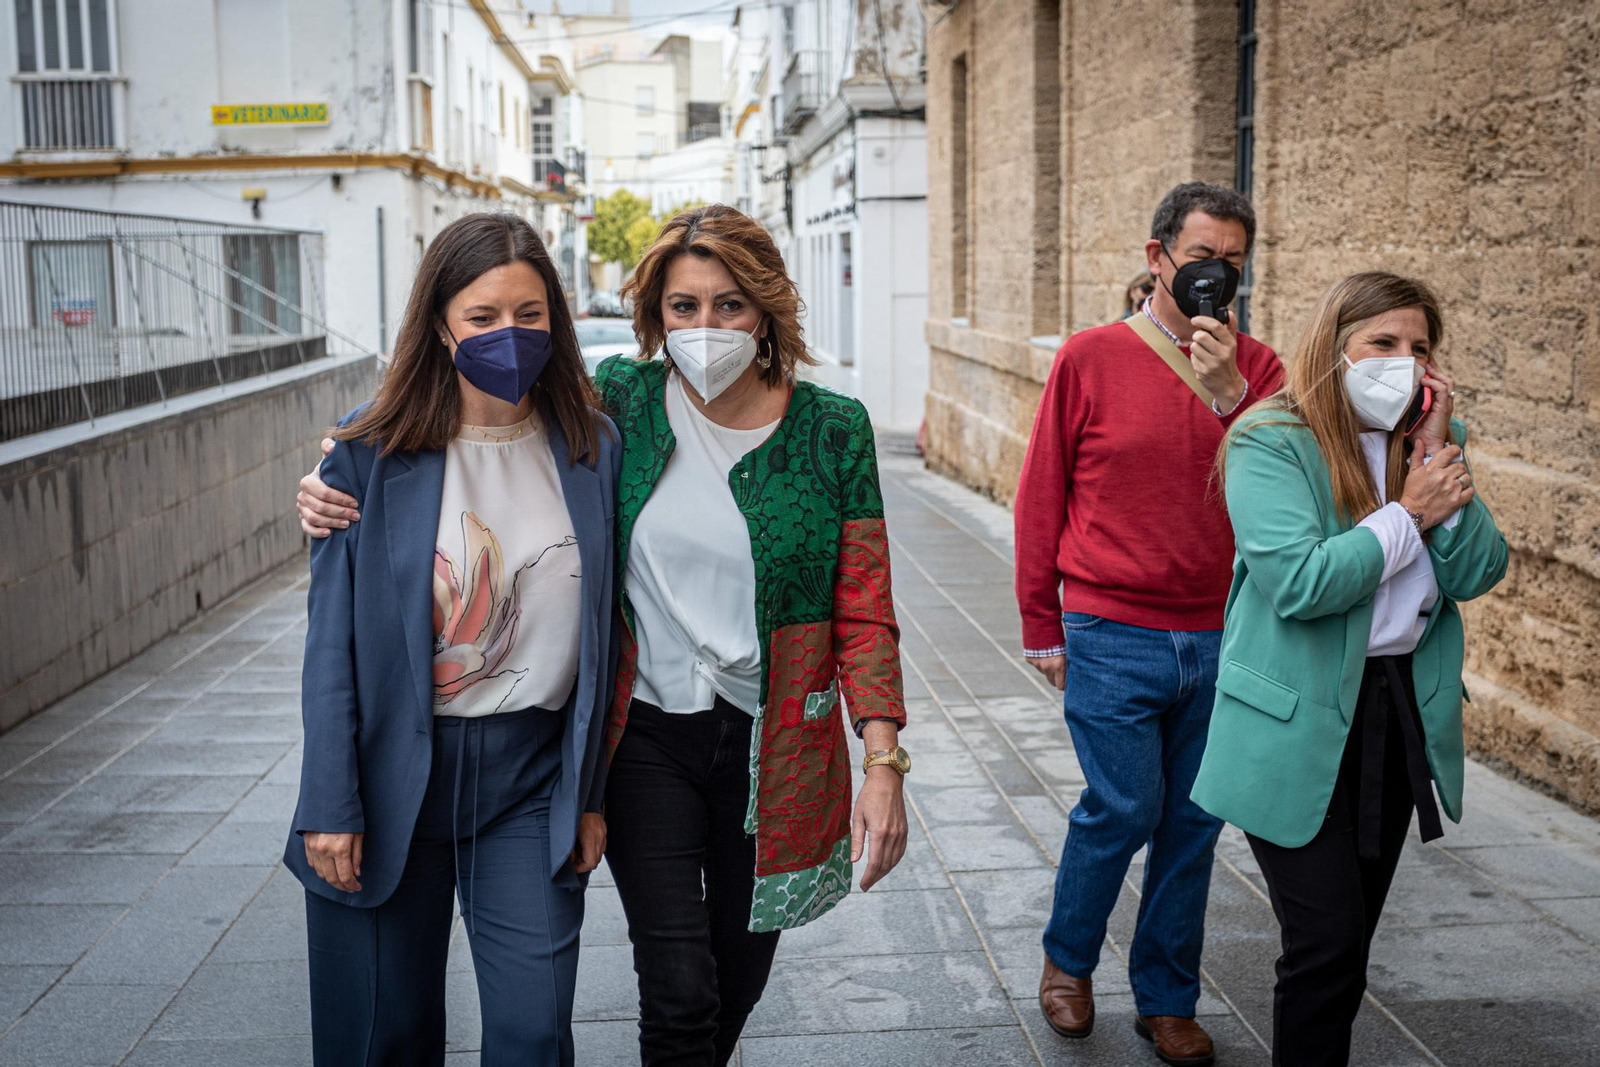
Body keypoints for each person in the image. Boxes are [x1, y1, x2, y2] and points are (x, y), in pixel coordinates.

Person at [296, 204, 911, 1067]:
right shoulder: (600, 411)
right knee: (650, 992)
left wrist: (882, 759)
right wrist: (328, 476)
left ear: (768, 306)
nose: (706, 326)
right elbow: (337, 637)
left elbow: (865, 602)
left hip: (676, 755)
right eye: (683, 307)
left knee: (635, 1005)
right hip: (567, 746)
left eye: (729, 304)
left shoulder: (767, 431)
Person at [284, 212, 620, 1067]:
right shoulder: (368, 451)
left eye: (530, 314)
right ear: (440, 323)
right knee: (381, 1038)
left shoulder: (593, 444)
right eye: (482, 317)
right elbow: (330, 648)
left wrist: (590, 792)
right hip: (388, 775)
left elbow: (612, 626)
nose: (510, 334)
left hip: (528, 780)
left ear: (556, 318)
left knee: (533, 1031)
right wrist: (329, 802)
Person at [1192, 272, 1507, 1066]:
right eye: (1383, 343)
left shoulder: (1430, 446)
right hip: (1293, 723)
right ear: (1335, 348)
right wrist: (1409, 514)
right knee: (1326, 941)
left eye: (1419, 347)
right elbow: (1300, 582)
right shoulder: (1272, 440)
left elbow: (1477, 571)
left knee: (1349, 940)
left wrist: (1437, 454)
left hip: (1394, 716)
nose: (1403, 361)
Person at [1013, 181, 1285, 1067]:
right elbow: (1040, 494)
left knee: (1195, 819)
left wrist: (1229, 393)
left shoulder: (1265, 371)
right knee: (1122, 804)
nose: (1217, 274)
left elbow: (1282, 490)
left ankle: (1168, 997)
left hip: (1221, 631)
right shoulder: (1089, 358)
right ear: (1157, 255)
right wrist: (1040, 625)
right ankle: (1069, 961)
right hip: (1110, 625)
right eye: (1202, 255)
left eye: (1234, 261)